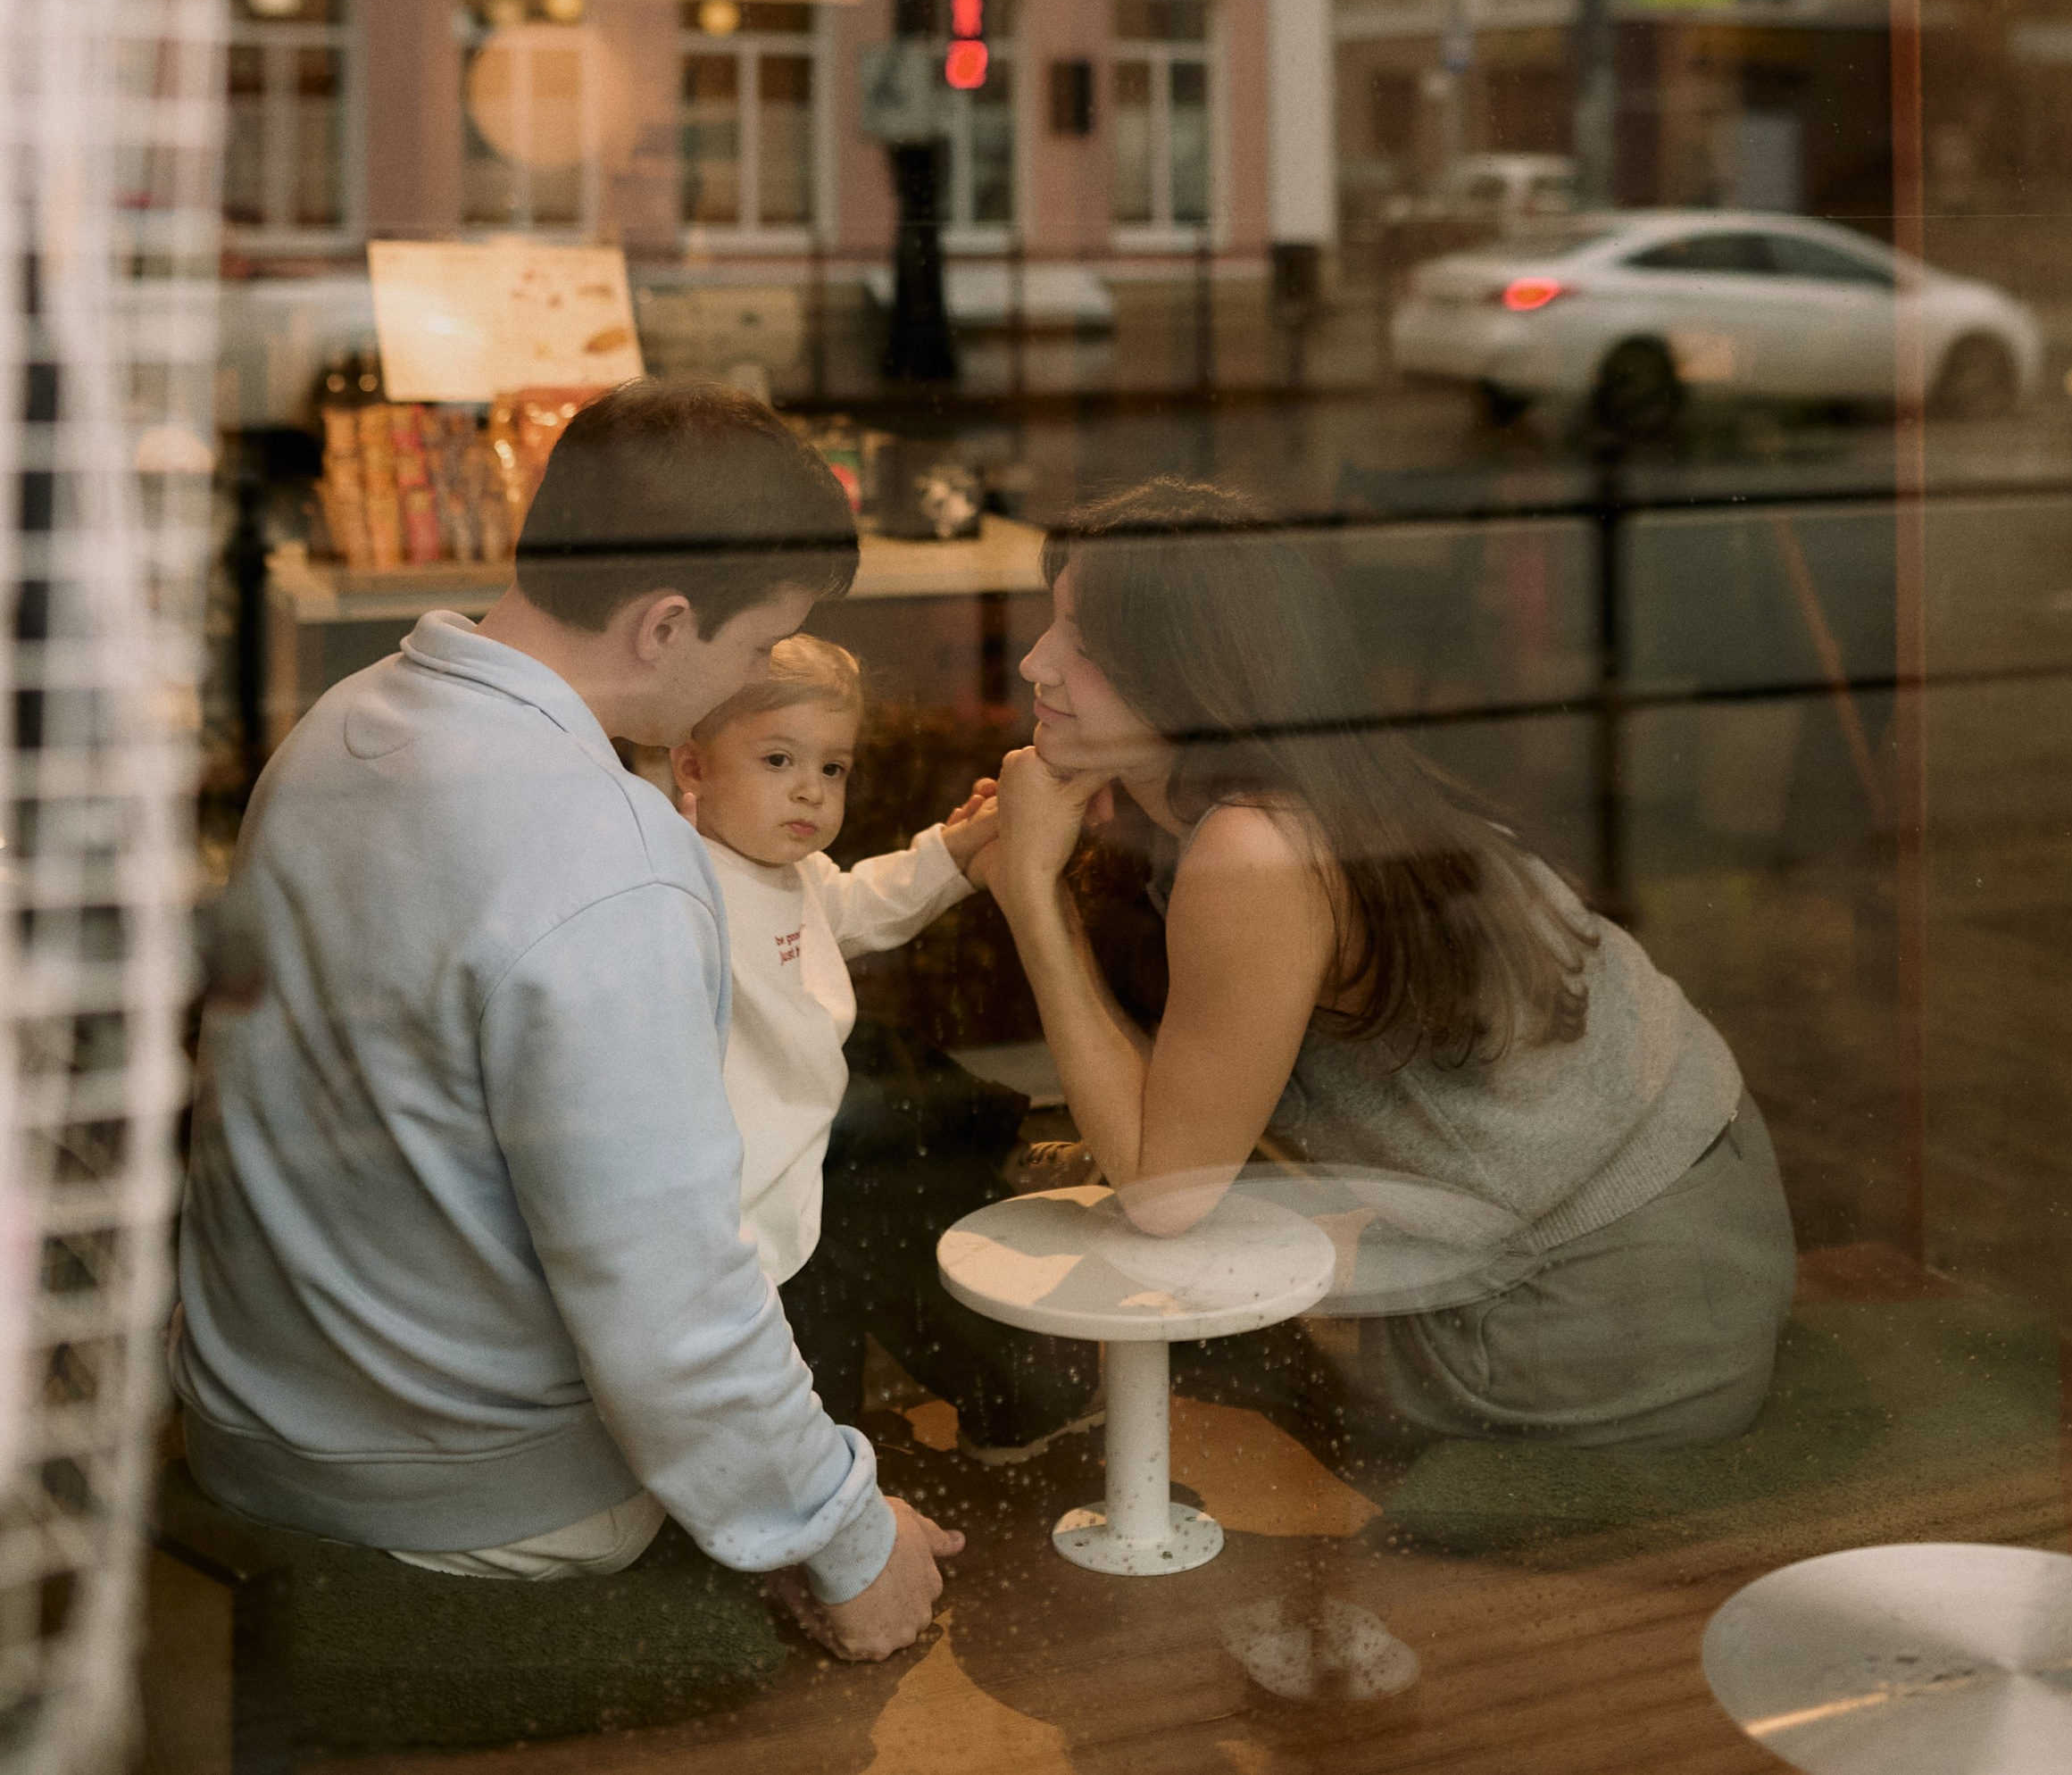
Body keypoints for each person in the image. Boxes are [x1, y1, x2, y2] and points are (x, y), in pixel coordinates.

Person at [173, 380, 961, 1662]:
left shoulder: (342, 724)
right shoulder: (606, 855)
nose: (756, 679)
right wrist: (848, 1529)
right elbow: (670, 1301)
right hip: (475, 1499)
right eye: (757, 648)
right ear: (664, 625)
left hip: (254, 1426)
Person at [976, 480, 1795, 1454]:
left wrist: (1033, 893)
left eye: (1088, 646)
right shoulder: (1322, 778)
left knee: (1188, 1331)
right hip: (1709, 1225)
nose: (1037, 662)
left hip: (1601, 1311)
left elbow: (1165, 1196)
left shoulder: (1254, 845)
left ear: (1191, 677)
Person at [664, 639, 1098, 1454]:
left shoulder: (782, 867)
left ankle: (847, 1463)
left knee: (827, 1353)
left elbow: (859, 905)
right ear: (693, 767)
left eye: (833, 769)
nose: (809, 789)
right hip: (743, 1210)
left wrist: (958, 851)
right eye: (778, 759)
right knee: (793, 1366)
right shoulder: (685, 884)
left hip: (811, 1175)